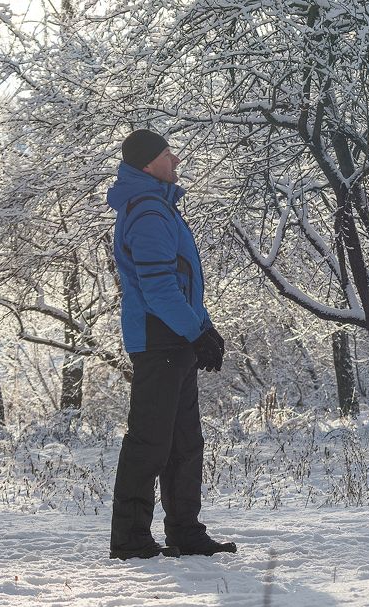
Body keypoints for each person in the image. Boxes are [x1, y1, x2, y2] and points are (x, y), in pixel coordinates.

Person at [107, 129, 235, 559]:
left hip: (174, 337)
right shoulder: (148, 211)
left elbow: (183, 282)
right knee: (150, 443)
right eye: (167, 153)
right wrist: (196, 332)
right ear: (148, 164)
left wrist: (205, 328)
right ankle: (130, 539)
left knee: (184, 443)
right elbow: (159, 288)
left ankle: (186, 532)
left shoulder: (159, 207)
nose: (176, 159)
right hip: (158, 338)